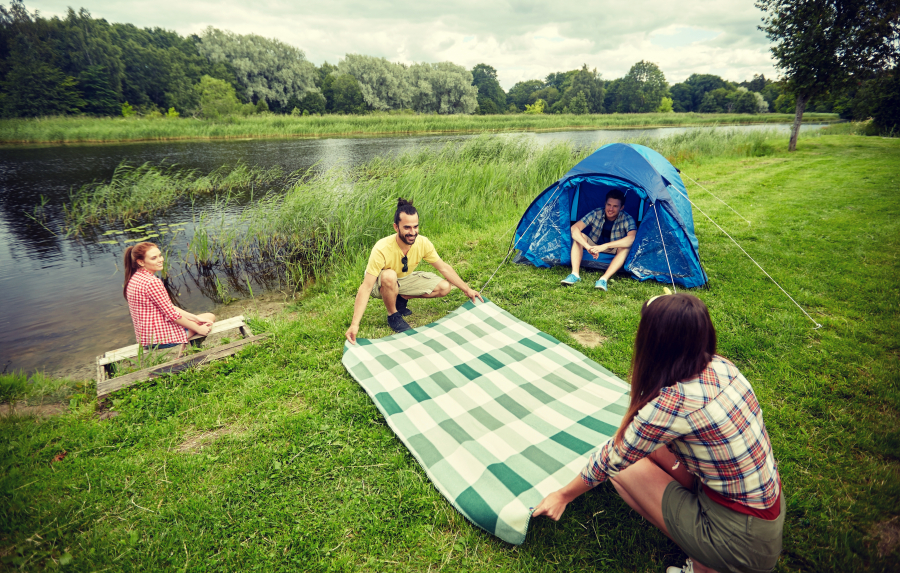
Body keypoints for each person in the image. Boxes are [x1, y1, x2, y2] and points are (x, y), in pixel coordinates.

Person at [533, 293, 784, 573]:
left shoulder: (672, 404)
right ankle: (707, 557)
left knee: (624, 469)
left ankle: (706, 564)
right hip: (761, 516)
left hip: (741, 542)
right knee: (648, 448)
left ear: (654, 343)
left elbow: (611, 459)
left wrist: (562, 495)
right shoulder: (722, 366)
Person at [345, 198, 483, 343]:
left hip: (402, 279)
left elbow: (443, 267)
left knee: (445, 288)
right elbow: (366, 288)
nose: (412, 232)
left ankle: (401, 298)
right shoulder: (382, 248)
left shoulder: (422, 242)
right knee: (389, 275)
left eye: (415, 227)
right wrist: (355, 325)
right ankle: (393, 315)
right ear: (396, 227)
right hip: (378, 284)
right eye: (407, 228)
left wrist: (467, 290)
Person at [123, 242, 216, 352]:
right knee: (209, 317)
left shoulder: (134, 279)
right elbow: (172, 315)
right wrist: (198, 328)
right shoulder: (152, 282)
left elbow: (168, 308)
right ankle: (191, 350)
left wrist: (196, 318)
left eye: (160, 255)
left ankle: (190, 348)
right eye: (154, 258)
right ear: (141, 262)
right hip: (162, 340)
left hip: (146, 338)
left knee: (201, 319)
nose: (160, 259)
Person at [560, 189, 637, 291]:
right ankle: (575, 274)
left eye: (615, 206)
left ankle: (603, 279)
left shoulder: (627, 218)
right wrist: (588, 247)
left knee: (625, 247)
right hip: (593, 245)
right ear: (605, 204)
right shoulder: (596, 213)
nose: (610, 209)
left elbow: (632, 238)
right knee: (580, 236)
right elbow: (574, 228)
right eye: (609, 205)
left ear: (621, 208)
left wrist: (604, 246)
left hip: (612, 248)